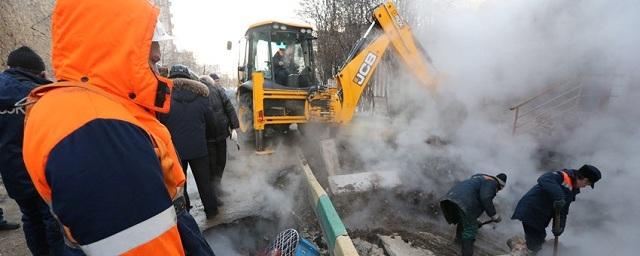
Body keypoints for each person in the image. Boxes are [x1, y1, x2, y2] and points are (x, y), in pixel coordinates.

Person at [22, 0, 214, 254]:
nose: (157, 57)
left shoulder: (92, 110)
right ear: (115, 47)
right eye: (148, 48)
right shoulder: (96, 129)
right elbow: (144, 245)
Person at [0, 46, 80, 254]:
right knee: (53, 222)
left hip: (12, 173)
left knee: (30, 217)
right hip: (41, 171)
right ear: (39, 72)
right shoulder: (40, 94)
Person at [159, 65, 219, 219]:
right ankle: (212, 212)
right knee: (204, 183)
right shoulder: (201, 97)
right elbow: (211, 122)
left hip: (175, 150)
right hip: (199, 148)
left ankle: (185, 214)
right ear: (189, 78)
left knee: (180, 184)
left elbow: (159, 124)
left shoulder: (163, 97)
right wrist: (207, 138)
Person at [512, 165, 601, 253]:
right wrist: (559, 197)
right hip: (531, 211)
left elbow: (563, 211)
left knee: (539, 241)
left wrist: (559, 227)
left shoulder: (571, 191)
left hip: (539, 217)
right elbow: (544, 179)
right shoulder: (561, 176)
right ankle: (525, 252)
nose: (585, 186)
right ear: (585, 179)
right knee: (536, 244)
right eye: (587, 184)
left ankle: (529, 251)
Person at [440, 173, 507, 256]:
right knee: (470, 229)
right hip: (464, 202)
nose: (497, 191)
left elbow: (475, 199)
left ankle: (458, 243)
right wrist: (494, 215)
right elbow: (486, 198)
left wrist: (475, 219)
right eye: (499, 189)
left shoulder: (479, 179)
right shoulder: (492, 183)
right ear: (500, 185)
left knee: (464, 221)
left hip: (451, 197)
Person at [200, 74, 239, 199]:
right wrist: (234, 126)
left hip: (213, 135)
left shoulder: (217, 90)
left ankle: (218, 189)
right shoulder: (201, 92)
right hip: (215, 135)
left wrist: (233, 125)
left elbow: (228, 106)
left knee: (217, 164)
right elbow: (229, 107)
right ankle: (214, 195)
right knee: (218, 163)